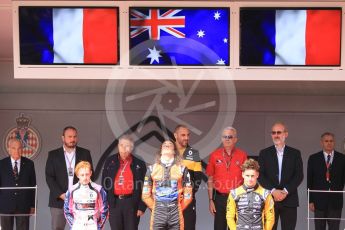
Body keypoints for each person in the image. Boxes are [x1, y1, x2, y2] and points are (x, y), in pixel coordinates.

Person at [45, 126, 93, 230]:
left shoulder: (85, 153)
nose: (72, 139)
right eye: (69, 136)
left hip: (80, 200)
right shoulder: (53, 155)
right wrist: (62, 195)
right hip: (59, 201)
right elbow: (49, 177)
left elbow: (89, 175)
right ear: (63, 138)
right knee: (57, 228)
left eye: (75, 136)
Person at [258, 122, 303, 230]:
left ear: (286, 134)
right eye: (273, 133)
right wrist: (273, 191)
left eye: (279, 132)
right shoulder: (264, 153)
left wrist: (285, 191)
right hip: (270, 199)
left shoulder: (295, 153)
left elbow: (299, 175)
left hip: (289, 199)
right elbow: (260, 175)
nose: (276, 135)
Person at [142, 140, 193, 230]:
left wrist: (179, 208)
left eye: (170, 144)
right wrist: (155, 208)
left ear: (174, 151)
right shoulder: (151, 169)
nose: (167, 145)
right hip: (158, 213)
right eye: (164, 144)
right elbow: (145, 195)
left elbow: (188, 194)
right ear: (161, 151)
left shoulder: (182, 169)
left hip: (176, 212)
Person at [206, 126, 248, 230]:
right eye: (224, 136)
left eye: (230, 136)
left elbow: (247, 179)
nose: (227, 139)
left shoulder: (242, 155)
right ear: (221, 139)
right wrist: (211, 200)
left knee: (236, 228)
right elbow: (210, 179)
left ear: (235, 139)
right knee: (219, 227)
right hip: (220, 199)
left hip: (237, 198)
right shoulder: (214, 155)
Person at [102, 135, 147, 230]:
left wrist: (142, 206)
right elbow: (104, 184)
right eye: (121, 145)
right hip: (114, 203)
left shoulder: (139, 163)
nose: (123, 148)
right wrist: (106, 205)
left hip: (131, 203)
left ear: (131, 148)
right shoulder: (110, 161)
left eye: (126, 146)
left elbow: (146, 187)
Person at [307, 132, 345, 230]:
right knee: (319, 228)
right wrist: (310, 200)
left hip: (335, 202)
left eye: (331, 141)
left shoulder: (342, 158)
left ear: (334, 142)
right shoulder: (313, 158)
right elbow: (310, 180)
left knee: (334, 228)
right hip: (319, 202)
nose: (329, 143)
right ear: (322, 143)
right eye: (326, 141)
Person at [226, 158, 275, 230]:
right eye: (247, 175)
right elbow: (229, 217)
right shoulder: (234, 193)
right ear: (242, 174)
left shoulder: (266, 194)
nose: (250, 179)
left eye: (252, 176)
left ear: (257, 175)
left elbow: (270, 218)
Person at [0, 139, 36, 230]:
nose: (17, 151)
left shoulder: (29, 164)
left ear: (22, 149)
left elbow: (33, 186)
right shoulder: (1, 164)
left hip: (23, 205)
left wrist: (33, 205)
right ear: (9, 149)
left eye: (19, 148)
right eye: (14, 148)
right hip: (5, 205)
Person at [64, 161, 108, 230]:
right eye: (82, 175)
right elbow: (67, 210)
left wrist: (99, 226)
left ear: (90, 173)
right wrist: (73, 224)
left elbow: (105, 209)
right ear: (77, 175)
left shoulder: (98, 189)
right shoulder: (71, 190)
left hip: (93, 226)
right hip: (77, 226)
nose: (85, 177)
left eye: (87, 174)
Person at [174, 125, 202, 230]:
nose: (186, 137)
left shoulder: (194, 153)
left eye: (188, 135)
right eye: (183, 135)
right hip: (170, 199)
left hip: (188, 199)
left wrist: (188, 194)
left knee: (188, 227)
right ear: (175, 135)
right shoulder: (168, 151)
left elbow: (198, 177)